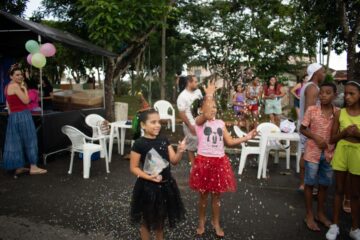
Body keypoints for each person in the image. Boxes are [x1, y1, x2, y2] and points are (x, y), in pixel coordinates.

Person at [190, 80, 257, 238]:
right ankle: (201, 221)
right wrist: (209, 95)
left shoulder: (220, 123)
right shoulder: (199, 122)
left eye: (215, 107)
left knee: (216, 197)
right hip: (204, 162)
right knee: (203, 196)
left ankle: (216, 222)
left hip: (219, 162)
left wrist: (246, 137)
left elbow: (230, 142)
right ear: (201, 109)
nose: (213, 109)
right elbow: (205, 115)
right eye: (210, 106)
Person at [129, 108, 186, 240]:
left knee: (160, 222)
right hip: (147, 188)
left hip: (166, 186)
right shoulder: (139, 144)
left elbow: (174, 161)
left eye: (159, 122)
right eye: (153, 122)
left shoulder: (164, 140)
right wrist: (148, 176)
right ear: (143, 125)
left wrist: (180, 151)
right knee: (146, 222)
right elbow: (133, 167)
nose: (158, 125)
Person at [300, 82, 338, 231]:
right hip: (312, 153)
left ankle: (320, 213)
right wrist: (316, 137)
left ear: (335, 95)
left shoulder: (338, 112)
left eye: (328, 93)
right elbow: (302, 128)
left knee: (324, 185)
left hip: (329, 155)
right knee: (309, 184)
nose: (323, 95)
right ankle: (309, 214)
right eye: (321, 92)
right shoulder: (312, 110)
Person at [326, 80, 360, 240]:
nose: (347, 96)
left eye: (351, 93)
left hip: (358, 154)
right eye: (345, 93)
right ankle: (335, 225)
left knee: (355, 193)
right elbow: (332, 139)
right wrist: (345, 132)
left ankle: (355, 227)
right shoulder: (340, 113)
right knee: (338, 190)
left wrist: (357, 134)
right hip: (341, 152)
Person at [2, 64, 47, 177]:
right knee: (30, 139)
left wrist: (12, 116)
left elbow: (8, 105)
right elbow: (26, 101)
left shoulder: (7, 87)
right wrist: (24, 89)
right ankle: (33, 167)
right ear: (11, 76)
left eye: (20, 74)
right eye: (17, 75)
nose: (20, 76)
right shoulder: (17, 86)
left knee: (16, 142)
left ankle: (19, 166)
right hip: (23, 115)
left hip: (13, 117)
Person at [298, 63, 325, 191]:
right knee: (310, 156)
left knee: (304, 154)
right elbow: (310, 110)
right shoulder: (313, 88)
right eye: (322, 71)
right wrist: (312, 131)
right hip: (309, 127)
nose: (324, 74)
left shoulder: (307, 86)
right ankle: (308, 185)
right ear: (316, 73)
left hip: (305, 126)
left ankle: (304, 184)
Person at [177, 75, 203, 166]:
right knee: (192, 147)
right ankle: (193, 167)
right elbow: (182, 113)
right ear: (189, 82)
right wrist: (190, 126)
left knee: (202, 145)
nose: (197, 83)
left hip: (202, 123)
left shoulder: (198, 92)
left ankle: (201, 165)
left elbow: (202, 105)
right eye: (195, 81)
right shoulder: (182, 96)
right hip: (190, 124)